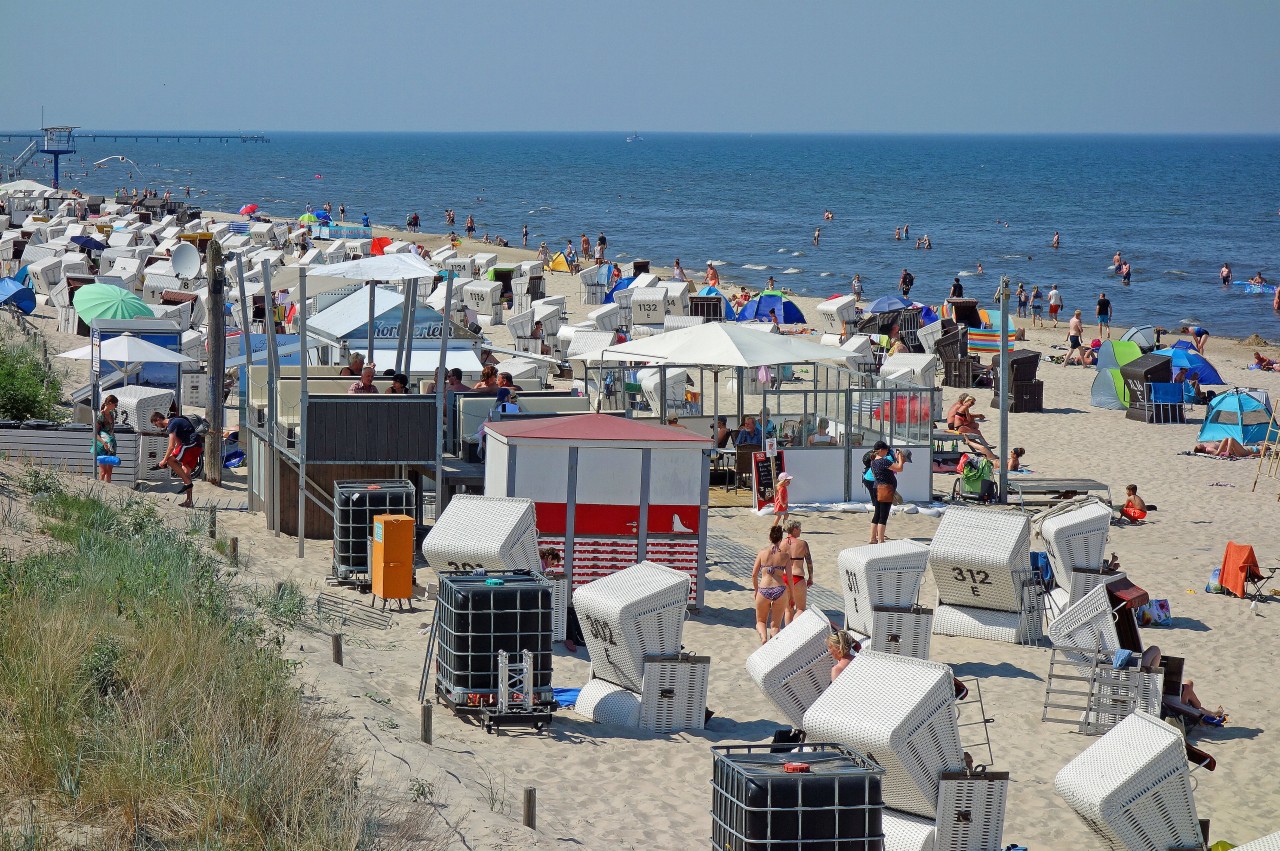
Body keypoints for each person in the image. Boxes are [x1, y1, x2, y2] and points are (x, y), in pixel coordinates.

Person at [150, 411, 200, 508]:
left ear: (158, 419)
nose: (157, 426)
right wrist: (170, 457)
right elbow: (178, 444)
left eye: (155, 424)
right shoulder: (176, 421)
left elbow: (171, 446)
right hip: (197, 446)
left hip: (190, 444)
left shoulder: (171, 425)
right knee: (186, 471)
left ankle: (188, 483)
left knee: (170, 461)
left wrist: (164, 461)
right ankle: (189, 501)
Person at [751, 526, 792, 643]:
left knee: (761, 621)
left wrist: (756, 590)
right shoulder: (785, 556)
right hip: (780, 589)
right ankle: (772, 641)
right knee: (775, 626)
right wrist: (792, 595)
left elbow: (754, 574)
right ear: (781, 539)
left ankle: (763, 638)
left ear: (770, 537)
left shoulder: (762, 553)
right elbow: (789, 577)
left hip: (764, 589)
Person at [868, 441, 906, 545]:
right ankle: (880, 539)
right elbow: (899, 468)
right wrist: (901, 459)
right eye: (886, 450)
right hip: (885, 489)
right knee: (883, 516)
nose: (887, 451)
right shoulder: (883, 461)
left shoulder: (873, 461)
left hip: (876, 487)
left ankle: (873, 538)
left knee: (877, 513)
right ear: (880, 450)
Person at [946, 394, 997, 460]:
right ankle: (986, 446)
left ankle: (980, 446)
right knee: (977, 432)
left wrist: (973, 419)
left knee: (975, 426)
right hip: (955, 426)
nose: (972, 404)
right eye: (971, 402)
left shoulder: (960, 406)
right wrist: (977, 416)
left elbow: (965, 418)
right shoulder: (961, 406)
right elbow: (968, 418)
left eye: (973, 403)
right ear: (966, 400)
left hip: (956, 425)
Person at [783, 520, 813, 623]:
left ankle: (787, 633)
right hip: (797, 577)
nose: (801, 531)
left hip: (784, 577)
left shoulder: (781, 543)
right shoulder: (802, 544)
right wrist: (810, 578)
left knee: (788, 610)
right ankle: (795, 630)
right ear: (795, 529)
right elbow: (809, 562)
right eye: (799, 529)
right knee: (800, 609)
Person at [95, 394, 118, 483]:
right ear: (109, 403)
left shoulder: (112, 414)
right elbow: (95, 433)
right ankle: (100, 489)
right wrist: (103, 443)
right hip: (103, 445)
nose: (115, 407)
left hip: (112, 444)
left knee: (109, 471)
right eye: (115, 405)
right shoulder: (100, 416)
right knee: (103, 471)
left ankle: (108, 488)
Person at [1194, 437, 1259, 457]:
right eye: (1199, 446)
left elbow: (1260, 454)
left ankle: (1227, 452)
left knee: (1228, 439)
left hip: (1244, 452)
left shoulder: (1260, 449)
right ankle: (1227, 452)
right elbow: (1261, 454)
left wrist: (1253, 454)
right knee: (1230, 439)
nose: (1200, 444)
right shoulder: (1260, 448)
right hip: (1244, 452)